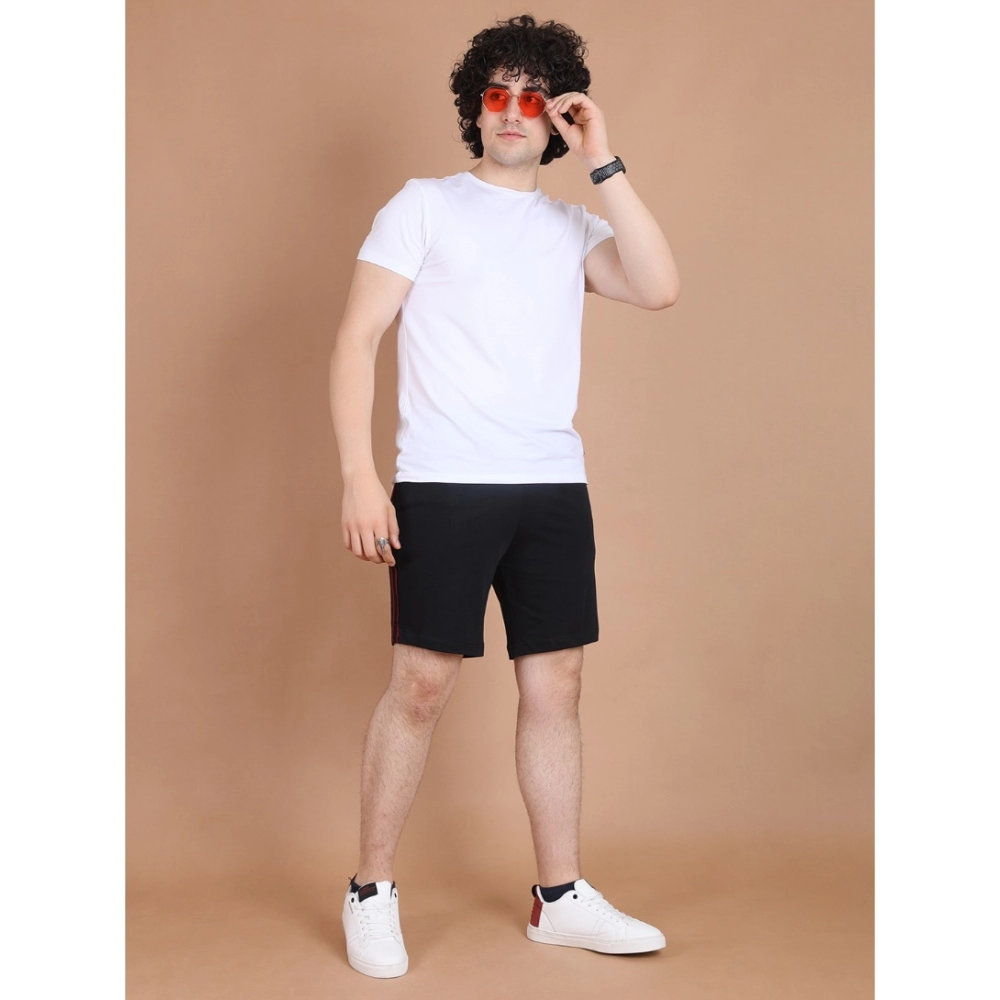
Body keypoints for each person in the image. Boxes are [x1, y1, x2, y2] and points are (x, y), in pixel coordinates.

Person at [329, 13, 680, 979]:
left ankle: (559, 897)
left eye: (535, 98)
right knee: (422, 684)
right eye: (498, 94)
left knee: (556, 685)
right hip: (443, 483)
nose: (514, 112)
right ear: (473, 107)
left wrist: (603, 158)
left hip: (550, 487)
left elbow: (659, 287)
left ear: (557, 114)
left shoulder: (573, 228)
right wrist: (360, 475)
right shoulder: (423, 207)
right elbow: (357, 338)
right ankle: (369, 888)